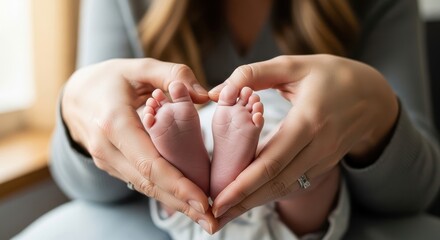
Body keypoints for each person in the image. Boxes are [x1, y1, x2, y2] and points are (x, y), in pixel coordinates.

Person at [14, 0, 440, 239]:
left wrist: (375, 110)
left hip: (283, 149)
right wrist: (77, 114)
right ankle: (198, 168)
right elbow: (87, 186)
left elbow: (416, 191)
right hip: (210, 185)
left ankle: (203, 165)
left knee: (310, 157)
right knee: (304, 184)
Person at [141, 81, 346, 239]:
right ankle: (200, 174)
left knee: (178, 197)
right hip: (287, 124)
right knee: (310, 176)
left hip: (201, 222)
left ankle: (189, 173)